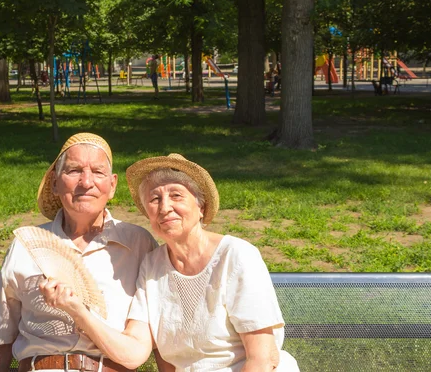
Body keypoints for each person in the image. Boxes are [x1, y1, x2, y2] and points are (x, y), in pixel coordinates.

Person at [41, 153, 300, 371]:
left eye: (176, 196)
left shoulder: (236, 255)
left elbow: (263, 358)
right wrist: (79, 312)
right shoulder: (152, 265)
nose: (165, 207)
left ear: (201, 207)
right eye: (154, 199)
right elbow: (142, 349)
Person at [0, 132, 158, 372]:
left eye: (98, 172)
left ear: (112, 185)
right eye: (74, 171)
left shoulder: (138, 244)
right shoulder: (25, 246)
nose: (86, 182)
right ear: (55, 182)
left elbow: (156, 341)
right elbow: (0, 339)